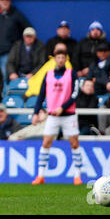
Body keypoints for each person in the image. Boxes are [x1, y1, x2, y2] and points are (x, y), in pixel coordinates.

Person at [31, 49, 83, 185]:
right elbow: (41, 95)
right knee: (46, 142)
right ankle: (40, 175)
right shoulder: (48, 75)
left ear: (66, 59)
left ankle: (77, 176)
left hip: (69, 114)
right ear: (54, 59)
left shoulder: (72, 73)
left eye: (62, 57)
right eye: (58, 57)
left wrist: (63, 107)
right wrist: (36, 113)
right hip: (53, 115)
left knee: (74, 143)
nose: (60, 60)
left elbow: (75, 93)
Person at [0, 0, 32, 81]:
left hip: (8, 52)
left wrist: (16, 45)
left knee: (4, 78)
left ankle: (4, 95)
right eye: (2, 0)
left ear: (10, 2)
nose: (4, 2)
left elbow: (27, 29)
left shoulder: (16, 14)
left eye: (7, 0)